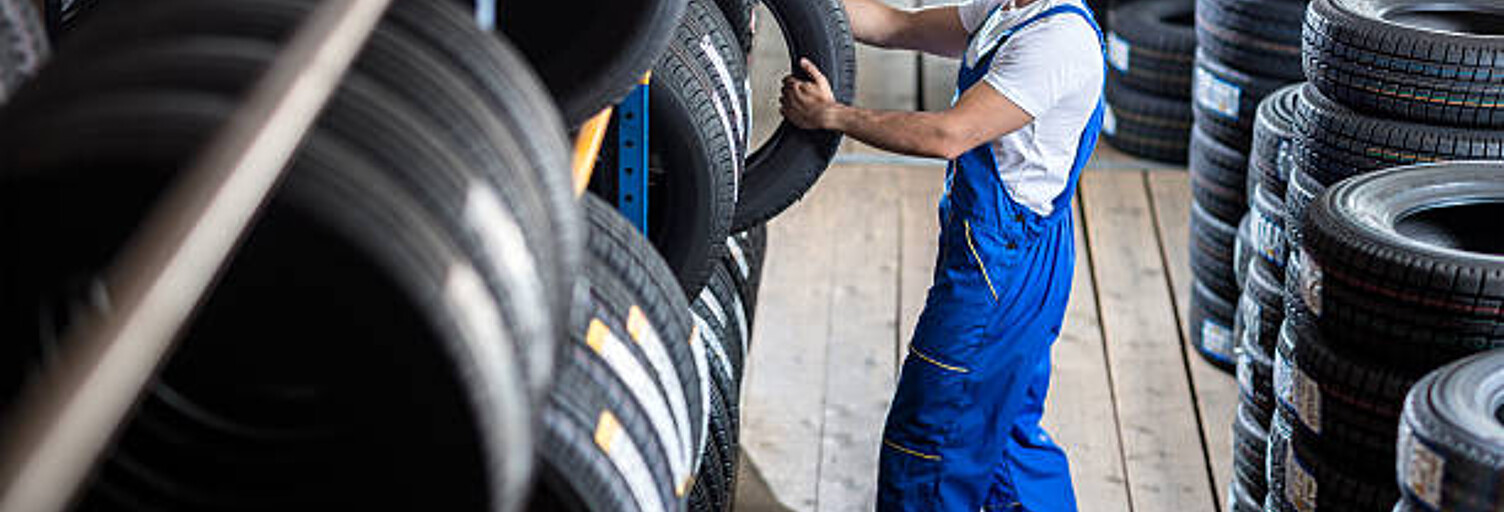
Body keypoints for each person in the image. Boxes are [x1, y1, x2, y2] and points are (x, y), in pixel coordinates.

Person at [778, 0, 1105, 510]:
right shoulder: (1010, 7)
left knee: (930, 440)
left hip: (1002, 270)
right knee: (1003, 436)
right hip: (1015, 254)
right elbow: (896, 26)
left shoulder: (1057, 40)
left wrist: (831, 115)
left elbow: (947, 135)